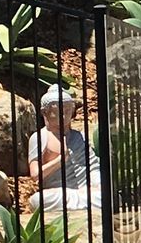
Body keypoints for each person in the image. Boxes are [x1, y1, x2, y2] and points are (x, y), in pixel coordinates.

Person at [24, 83, 101, 220]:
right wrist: (60, 161)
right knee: (38, 200)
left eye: (67, 111)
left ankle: (83, 201)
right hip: (58, 192)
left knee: (105, 192)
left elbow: (93, 166)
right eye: (58, 111)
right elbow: (35, 175)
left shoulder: (79, 136)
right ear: (45, 112)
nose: (64, 115)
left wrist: (97, 182)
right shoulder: (39, 138)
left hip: (86, 190)